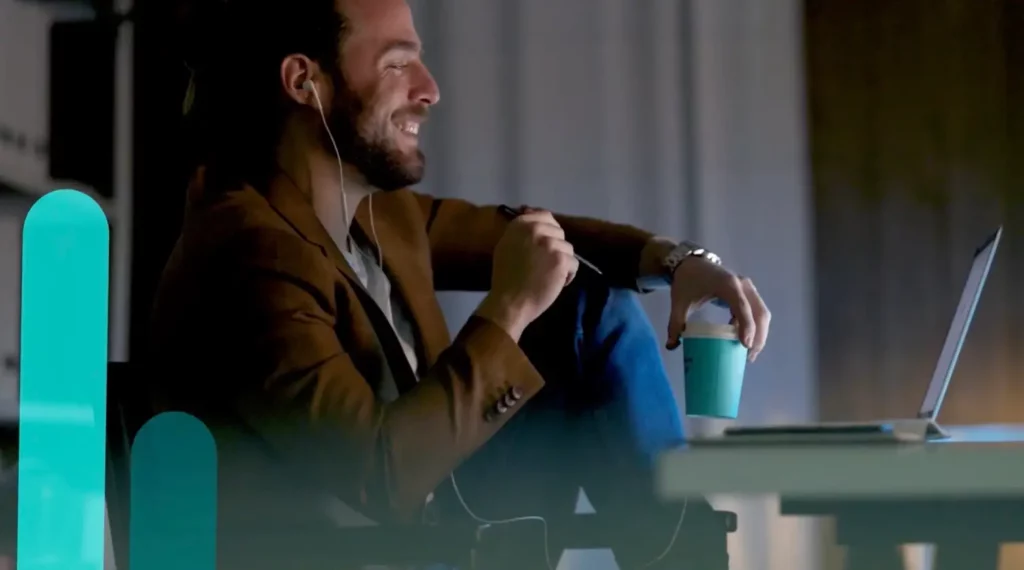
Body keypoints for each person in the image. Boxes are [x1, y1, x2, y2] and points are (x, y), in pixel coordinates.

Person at [150, 0, 771, 568]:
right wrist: (508, 309)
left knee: (588, 304)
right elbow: (378, 475)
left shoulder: (377, 214)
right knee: (577, 305)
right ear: (303, 82)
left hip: (438, 526)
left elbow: (541, 235)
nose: (430, 90)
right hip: (369, 548)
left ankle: (683, 552)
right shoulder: (247, 250)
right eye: (399, 65)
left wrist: (679, 261)